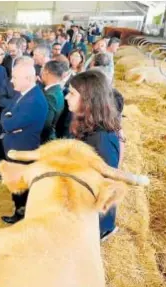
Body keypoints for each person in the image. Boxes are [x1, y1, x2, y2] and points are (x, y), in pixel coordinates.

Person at [65, 69, 122, 241]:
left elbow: (104, 189)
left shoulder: (102, 140)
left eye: (72, 93)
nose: (67, 97)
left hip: (90, 219)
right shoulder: (84, 124)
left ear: (89, 100)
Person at [0, 57, 48, 224]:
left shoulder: (33, 101)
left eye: (14, 77)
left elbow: (8, 123)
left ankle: (21, 214)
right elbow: (6, 112)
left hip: (22, 152)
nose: (11, 81)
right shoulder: (25, 93)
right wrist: (8, 119)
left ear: (28, 79)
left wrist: (8, 120)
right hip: (16, 147)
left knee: (20, 186)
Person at [40, 60, 66, 143]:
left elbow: (46, 124)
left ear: (46, 72)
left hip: (44, 140)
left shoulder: (51, 95)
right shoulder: (57, 90)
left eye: (42, 70)